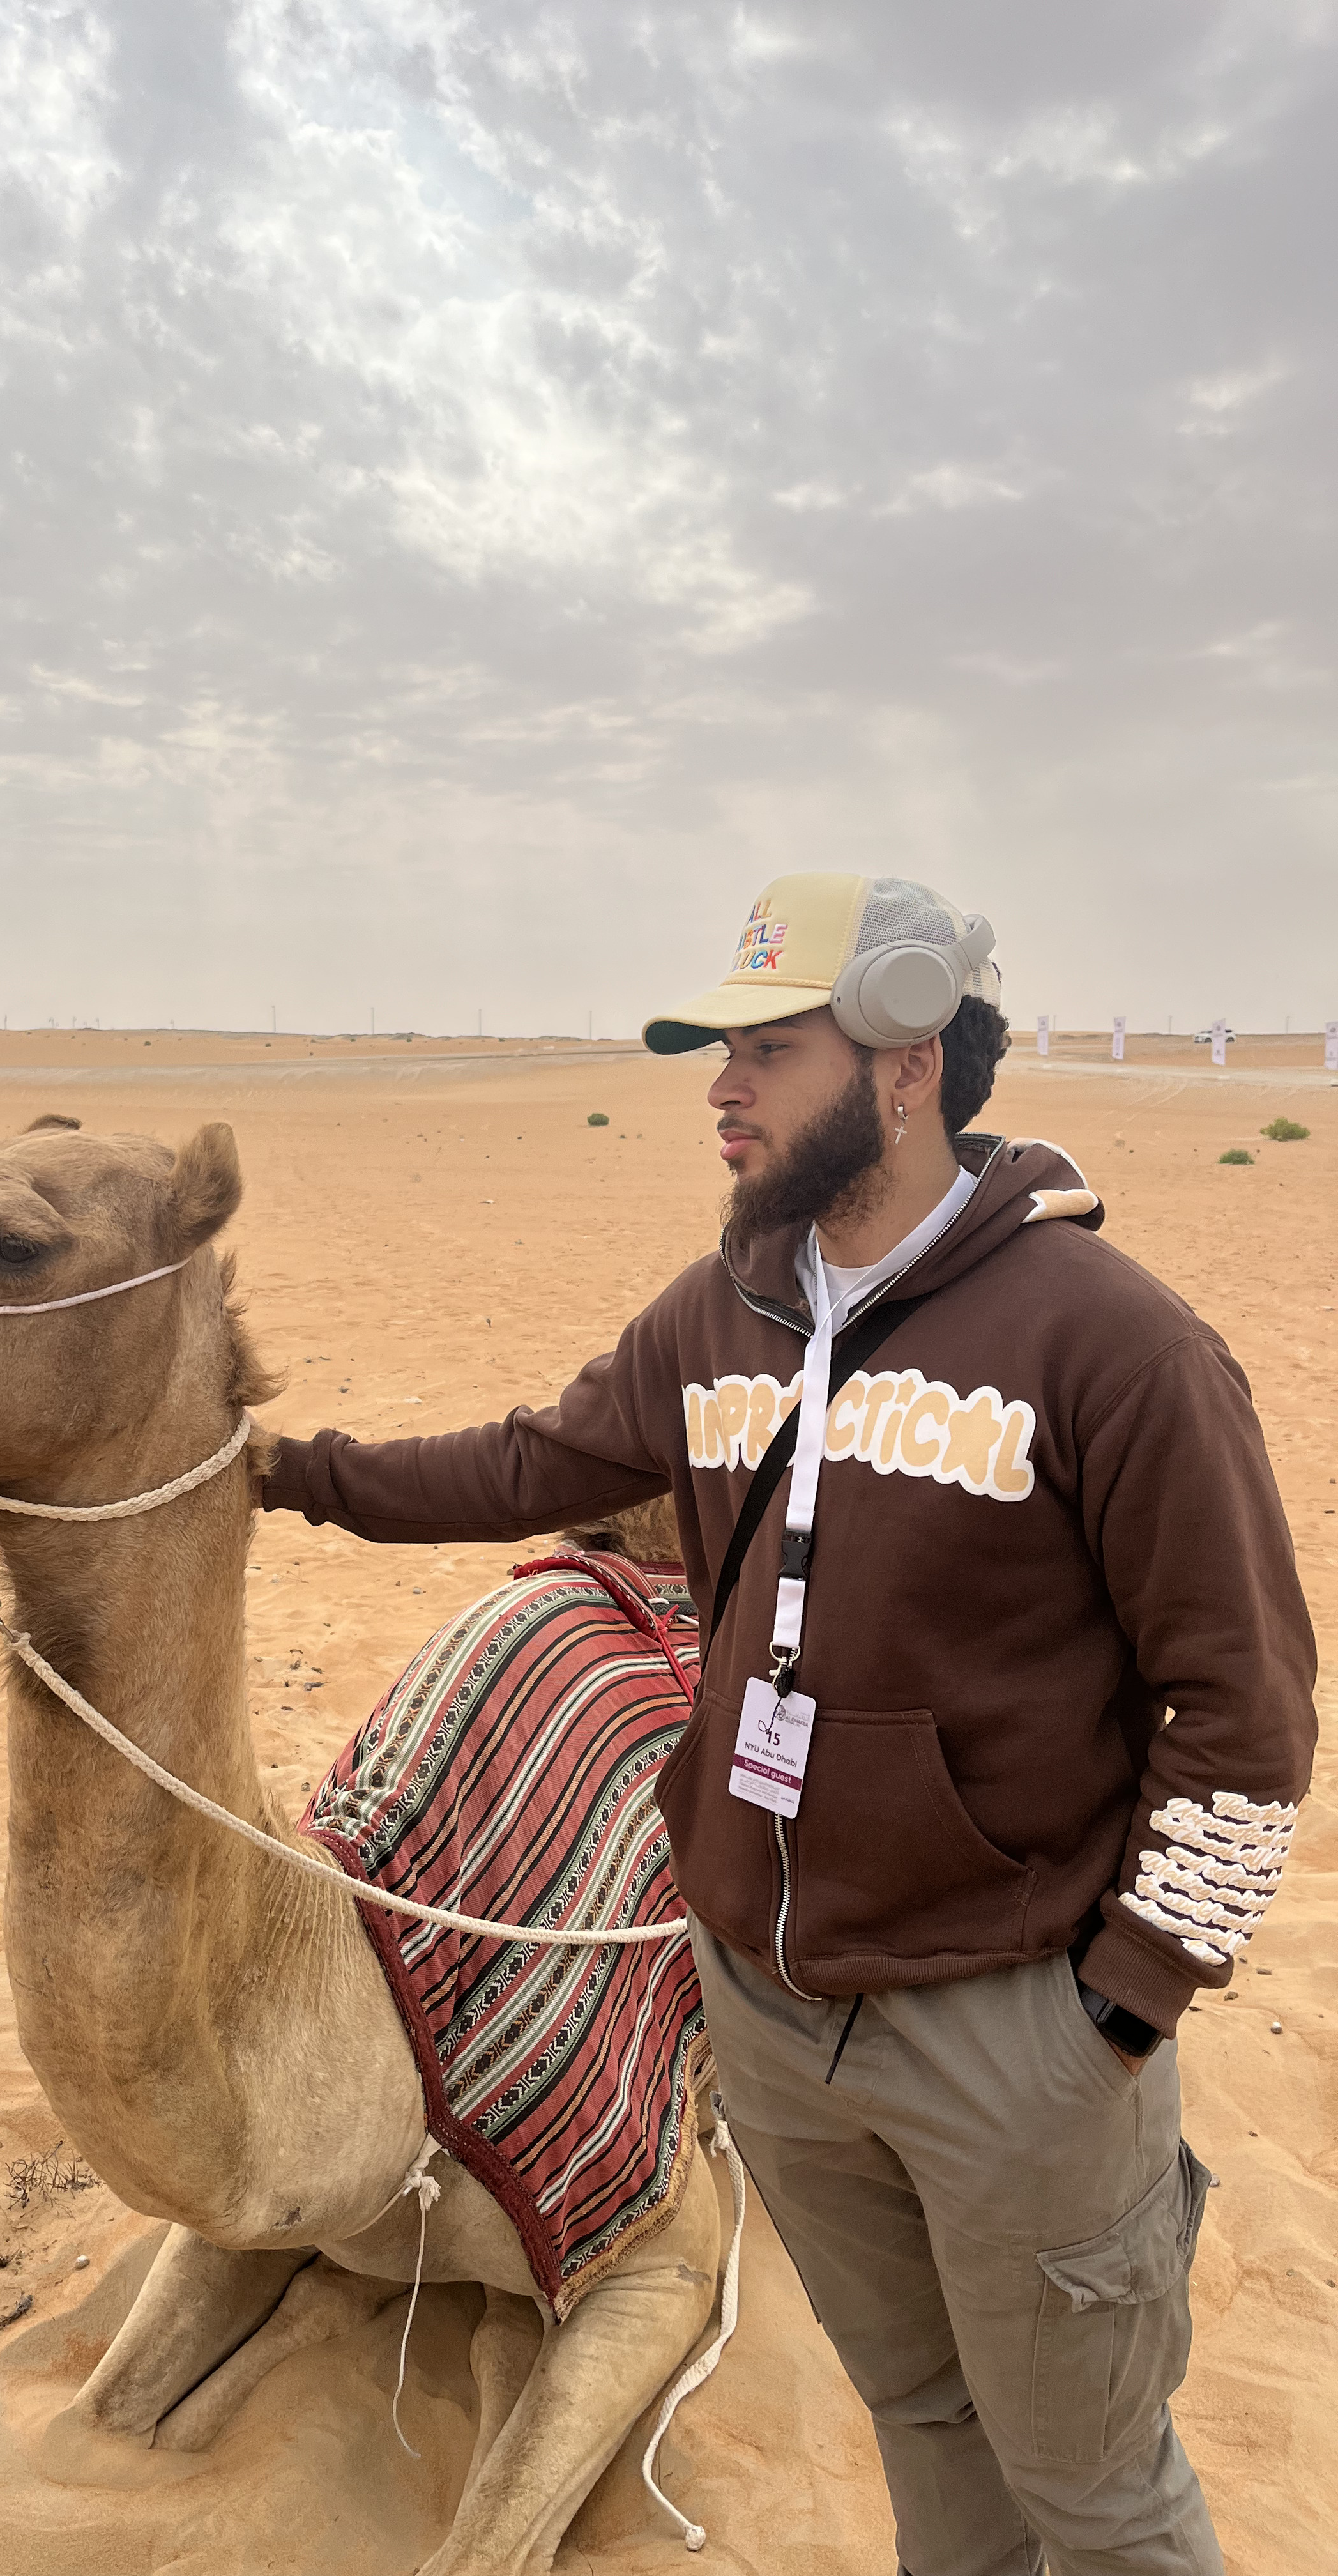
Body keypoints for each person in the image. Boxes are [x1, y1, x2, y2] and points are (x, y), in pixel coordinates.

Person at [262, 874, 1316, 2576]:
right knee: (924, 2423)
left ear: (905, 1063)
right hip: (769, 2019)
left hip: (1016, 2032)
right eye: (718, 1048)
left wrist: (1125, 2009)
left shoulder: (1109, 1344)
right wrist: (283, 1477)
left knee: (1101, 2499)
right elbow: (537, 1466)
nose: (721, 1086)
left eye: (765, 1047)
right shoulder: (722, 1305)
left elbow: (1248, 1710)